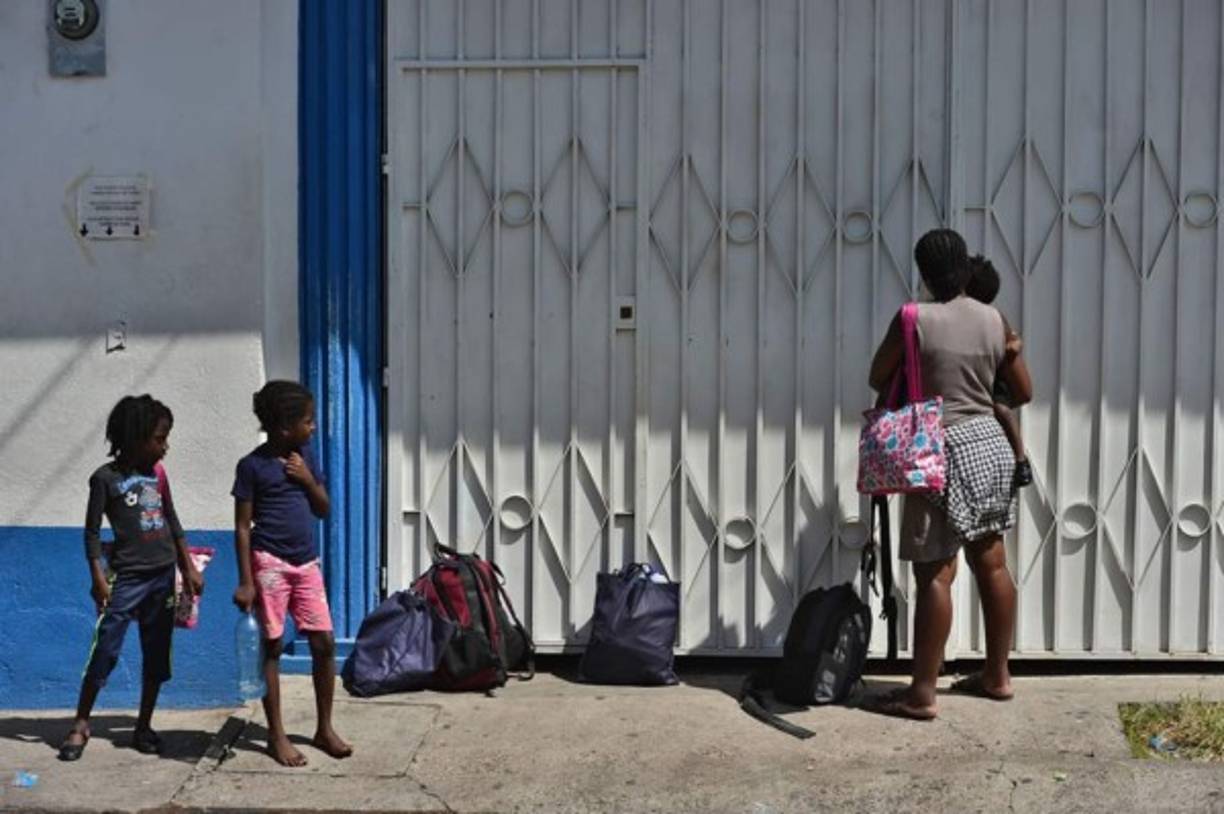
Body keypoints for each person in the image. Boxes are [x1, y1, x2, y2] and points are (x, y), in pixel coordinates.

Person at [867, 229, 1033, 721]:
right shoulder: (994, 318)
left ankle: (922, 694)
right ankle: (998, 676)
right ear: (964, 267)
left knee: (936, 573)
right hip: (989, 444)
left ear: (924, 272)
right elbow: (1023, 391)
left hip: (934, 448)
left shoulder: (913, 317)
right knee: (993, 564)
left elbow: (878, 376)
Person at [60, 395, 204, 761]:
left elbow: (172, 519)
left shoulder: (158, 475)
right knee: (105, 649)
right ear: (136, 437)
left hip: (163, 576)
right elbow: (92, 532)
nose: (165, 447)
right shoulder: (104, 479)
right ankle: (81, 723)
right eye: (159, 439)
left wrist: (187, 567)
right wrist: (98, 578)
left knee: (156, 653)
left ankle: (143, 726)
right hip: (127, 580)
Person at [231, 381, 351, 766]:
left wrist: (307, 479)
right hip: (269, 564)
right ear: (285, 427)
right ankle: (276, 735)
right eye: (308, 421)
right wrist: (246, 581)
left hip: (306, 563)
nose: (313, 427)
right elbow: (243, 527)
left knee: (324, 642)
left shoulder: (305, 458)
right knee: (273, 645)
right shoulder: (251, 466)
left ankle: (324, 728)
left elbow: (323, 509)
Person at [964, 253, 1033, 488]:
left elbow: (1014, 340)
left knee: (1001, 409)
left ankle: (1021, 459)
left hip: (994, 378)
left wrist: (1010, 350)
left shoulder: (993, 317)